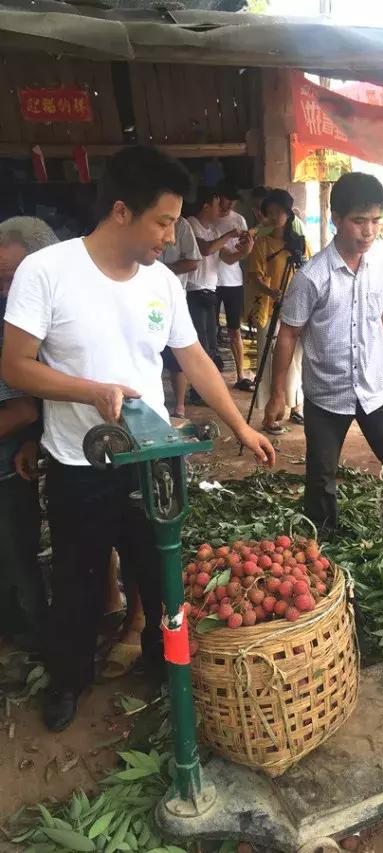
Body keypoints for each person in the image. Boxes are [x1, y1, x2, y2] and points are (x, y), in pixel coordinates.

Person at [2, 145, 275, 732]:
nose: (170, 237)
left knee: (159, 574)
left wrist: (240, 425)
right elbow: (17, 367)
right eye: (163, 222)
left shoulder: (161, 284)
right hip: (78, 462)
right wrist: (89, 391)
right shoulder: (48, 272)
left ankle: (163, 669)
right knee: (78, 579)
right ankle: (69, 680)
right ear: (122, 211)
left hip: (154, 461)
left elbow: (194, 357)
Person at [264, 173, 383, 535]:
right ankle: (324, 541)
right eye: (358, 221)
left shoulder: (380, 269)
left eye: (376, 221)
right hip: (327, 395)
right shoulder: (312, 277)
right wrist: (278, 393)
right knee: (321, 477)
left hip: (375, 389)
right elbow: (288, 336)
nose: (369, 231)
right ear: (336, 220)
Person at [0, 217, 56, 652]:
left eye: (13, 276)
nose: (8, 285)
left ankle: (36, 643)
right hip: (24, 450)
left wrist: (33, 436)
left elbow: (23, 407)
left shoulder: (23, 322)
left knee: (18, 564)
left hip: (12, 465)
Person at [247, 189, 309, 435]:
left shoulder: (301, 244)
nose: (273, 217)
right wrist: (274, 293)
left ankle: (296, 406)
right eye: (268, 213)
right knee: (268, 359)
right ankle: (269, 414)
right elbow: (254, 276)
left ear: (287, 213)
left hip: (297, 311)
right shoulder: (262, 243)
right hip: (270, 310)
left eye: (277, 212)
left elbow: (310, 272)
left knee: (297, 359)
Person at [186, 188, 253, 377]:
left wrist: (246, 251)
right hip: (195, 289)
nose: (221, 211)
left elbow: (228, 258)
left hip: (210, 290)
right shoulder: (191, 223)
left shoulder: (213, 229)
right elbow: (205, 249)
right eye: (217, 206)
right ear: (206, 207)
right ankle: (198, 389)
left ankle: (206, 385)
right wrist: (229, 235)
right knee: (201, 341)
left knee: (211, 342)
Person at [211, 181, 253, 391]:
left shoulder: (239, 220)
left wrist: (245, 249)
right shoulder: (209, 221)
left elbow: (242, 250)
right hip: (210, 282)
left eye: (233, 202)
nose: (229, 206)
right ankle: (210, 379)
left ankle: (240, 375)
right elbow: (225, 255)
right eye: (226, 201)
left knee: (234, 329)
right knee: (209, 331)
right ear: (217, 198)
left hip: (233, 281)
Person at [160, 215, 201, 416]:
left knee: (176, 355)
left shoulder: (182, 225)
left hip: (173, 298)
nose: (169, 238)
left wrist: (162, 271)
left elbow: (193, 261)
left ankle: (179, 406)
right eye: (161, 224)